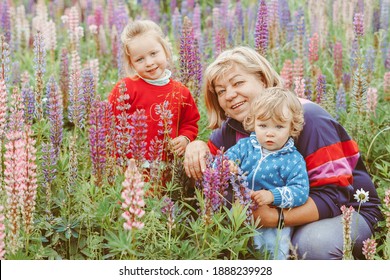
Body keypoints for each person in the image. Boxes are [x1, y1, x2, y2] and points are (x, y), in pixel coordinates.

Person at [184, 46, 383, 259]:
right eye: (221, 91)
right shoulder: (234, 127)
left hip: (345, 211)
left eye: (238, 83)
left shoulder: (309, 118)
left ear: (262, 80)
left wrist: (275, 218)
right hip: (278, 213)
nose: (230, 95)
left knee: (311, 244)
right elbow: (213, 168)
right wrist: (196, 146)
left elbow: (334, 196)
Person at [224, 87, 309, 259]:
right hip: (238, 215)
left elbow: (301, 191)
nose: (269, 133)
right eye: (263, 125)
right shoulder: (245, 147)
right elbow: (220, 160)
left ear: (292, 127)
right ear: (253, 122)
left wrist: (273, 195)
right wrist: (227, 164)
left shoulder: (293, 159)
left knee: (272, 253)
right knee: (235, 250)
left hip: (272, 225)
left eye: (279, 126)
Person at [108, 20, 200, 163]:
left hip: (168, 169)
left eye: (153, 53)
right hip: (132, 169)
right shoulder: (125, 88)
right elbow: (110, 125)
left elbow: (190, 122)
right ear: (131, 63)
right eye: (140, 59)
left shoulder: (181, 92)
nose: (149, 62)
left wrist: (185, 138)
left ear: (165, 50)